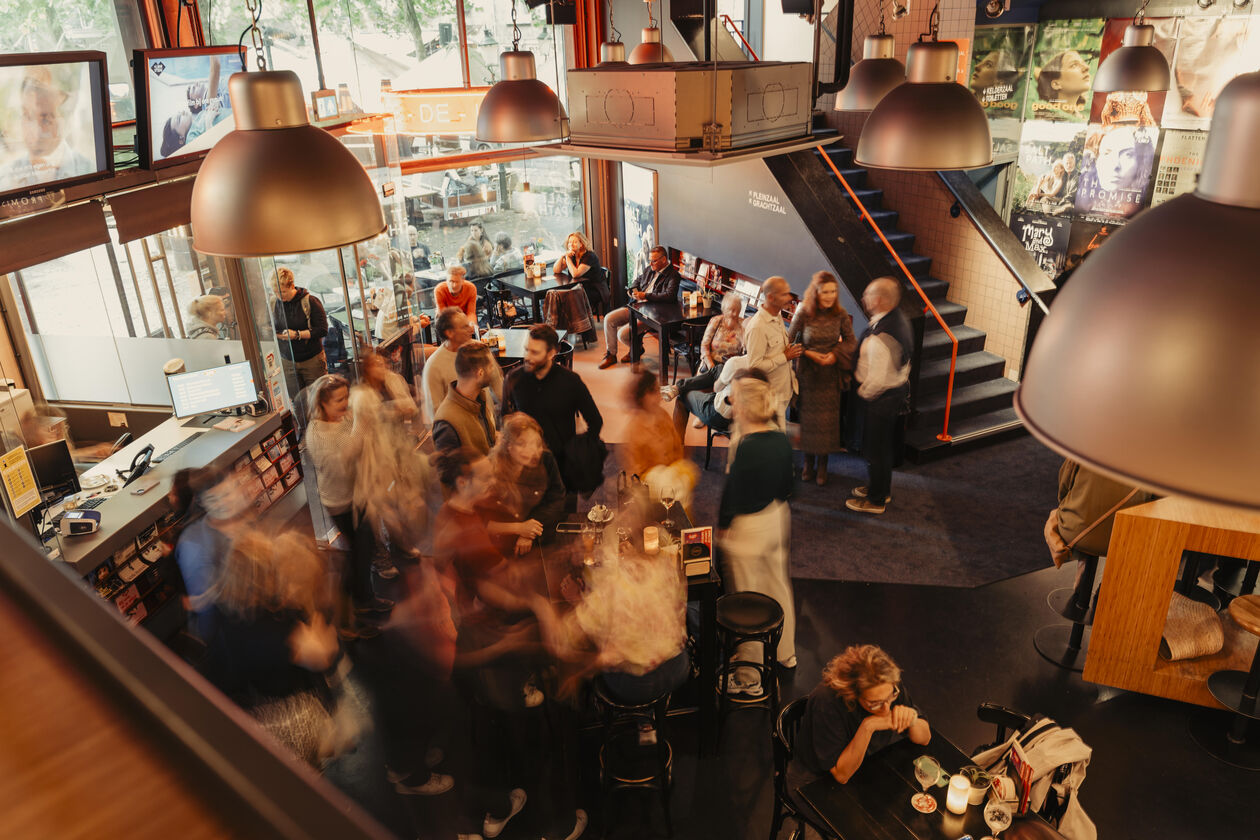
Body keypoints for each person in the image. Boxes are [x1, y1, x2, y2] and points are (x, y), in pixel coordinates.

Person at [200, 529, 356, 769]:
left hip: (239, 716)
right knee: (302, 774)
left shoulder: (223, 608)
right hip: (282, 723)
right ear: (262, 580)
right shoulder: (271, 626)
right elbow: (323, 655)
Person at [787, 644, 930, 834]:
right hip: (813, 781)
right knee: (868, 832)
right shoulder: (827, 702)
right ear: (852, 693)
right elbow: (841, 775)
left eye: (891, 696)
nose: (886, 709)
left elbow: (925, 738)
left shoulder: (888, 688)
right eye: (874, 703)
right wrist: (868, 726)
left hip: (864, 768)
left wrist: (912, 719)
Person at [718, 377, 796, 691]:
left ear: (744, 408)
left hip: (748, 529)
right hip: (777, 518)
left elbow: (732, 495)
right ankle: (785, 653)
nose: (732, 404)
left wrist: (723, 527)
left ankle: (749, 676)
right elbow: (790, 488)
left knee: (746, 598)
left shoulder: (746, 446)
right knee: (777, 585)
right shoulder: (781, 439)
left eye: (735, 399)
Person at [304, 374, 392, 639]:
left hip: (358, 496)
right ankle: (346, 619)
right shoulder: (318, 433)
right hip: (341, 503)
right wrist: (362, 426)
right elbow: (342, 462)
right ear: (322, 403)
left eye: (346, 397)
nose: (345, 403)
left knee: (363, 552)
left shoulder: (343, 418)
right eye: (339, 400)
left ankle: (366, 600)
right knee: (356, 558)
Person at [503, 324, 603, 484]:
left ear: (551, 353)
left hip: (562, 467)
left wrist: (579, 453)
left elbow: (595, 421)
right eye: (527, 350)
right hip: (527, 466)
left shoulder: (570, 382)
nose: (527, 357)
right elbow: (506, 418)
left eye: (535, 352)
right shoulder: (514, 379)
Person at [846, 278, 911, 515]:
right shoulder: (896, 320)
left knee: (875, 451)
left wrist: (862, 393)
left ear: (879, 300)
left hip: (880, 399)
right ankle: (881, 489)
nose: (863, 299)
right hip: (892, 396)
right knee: (882, 449)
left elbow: (879, 379)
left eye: (867, 295)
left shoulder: (882, 337)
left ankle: (876, 500)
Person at [789, 271, 857, 486]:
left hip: (830, 378)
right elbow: (789, 341)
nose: (829, 296)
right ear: (816, 292)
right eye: (825, 292)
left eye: (833, 291)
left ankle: (823, 465)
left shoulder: (840, 314)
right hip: (809, 376)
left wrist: (835, 355)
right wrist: (809, 353)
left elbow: (851, 342)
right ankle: (808, 462)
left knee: (827, 425)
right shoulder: (804, 312)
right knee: (809, 422)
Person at [481, 413, 565, 556]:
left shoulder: (546, 459)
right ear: (508, 446)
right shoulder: (491, 470)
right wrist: (519, 528)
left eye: (536, 444)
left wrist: (530, 532)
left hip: (540, 536)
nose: (533, 451)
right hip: (501, 546)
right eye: (521, 444)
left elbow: (557, 499)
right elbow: (481, 522)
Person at [1, 68, 93, 191]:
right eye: (28, 116)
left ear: (63, 121)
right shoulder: (4, 178)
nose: (35, 130)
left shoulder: (89, 170)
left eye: (45, 119)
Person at [598, 245, 681, 369]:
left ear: (664, 260)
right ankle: (611, 354)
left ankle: (636, 348)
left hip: (653, 314)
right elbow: (638, 280)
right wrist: (632, 290)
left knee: (622, 334)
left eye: (654, 260)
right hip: (637, 306)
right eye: (650, 260)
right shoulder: (649, 269)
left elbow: (669, 296)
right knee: (609, 319)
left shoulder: (673, 275)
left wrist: (645, 295)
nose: (650, 263)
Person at [421, 306, 503, 424]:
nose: (471, 330)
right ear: (449, 333)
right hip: (460, 430)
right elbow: (435, 412)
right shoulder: (433, 366)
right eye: (464, 327)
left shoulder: (480, 349)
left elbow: (497, 383)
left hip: (488, 424)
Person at [744, 275, 804, 425]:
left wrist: (788, 350)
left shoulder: (777, 315)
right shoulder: (758, 327)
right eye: (784, 294)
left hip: (782, 392)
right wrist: (785, 356)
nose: (789, 298)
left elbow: (774, 350)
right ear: (771, 297)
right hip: (768, 397)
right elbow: (754, 366)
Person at [433, 344, 499, 456]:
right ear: (480, 373)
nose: (494, 371)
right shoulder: (447, 424)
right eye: (491, 367)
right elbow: (448, 467)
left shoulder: (478, 400)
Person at [271, 267, 329, 392]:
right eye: (276, 292)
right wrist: (279, 335)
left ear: (292, 286)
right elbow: (267, 328)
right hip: (287, 360)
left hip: (311, 359)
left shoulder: (310, 301)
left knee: (318, 396)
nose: (279, 296)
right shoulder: (273, 303)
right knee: (296, 398)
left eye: (283, 292)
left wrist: (297, 335)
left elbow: (322, 330)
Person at [622, 369, 685, 480]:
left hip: (671, 477)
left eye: (658, 390)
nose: (659, 396)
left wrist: (675, 471)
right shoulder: (634, 430)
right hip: (648, 485)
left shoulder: (662, 414)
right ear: (642, 397)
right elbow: (635, 473)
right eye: (654, 391)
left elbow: (677, 447)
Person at [554, 231, 606, 315]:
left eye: (574, 242)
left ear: (581, 244)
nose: (571, 244)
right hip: (579, 287)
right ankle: (564, 320)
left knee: (568, 296)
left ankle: (576, 321)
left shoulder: (589, 256)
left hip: (594, 289)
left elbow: (576, 274)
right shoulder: (572, 255)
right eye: (569, 242)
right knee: (557, 294)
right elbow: (556, 270)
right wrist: (562, 256)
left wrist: (567, 258)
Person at [699, 291, 747, 372]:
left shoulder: (743, 325)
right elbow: (704, 346)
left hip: (731, 368)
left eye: (737, 310)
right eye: (731, 310)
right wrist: (711, 366)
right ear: (724, 310)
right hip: (711, 364)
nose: (734, 314)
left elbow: (745, 351)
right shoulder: (716, 321)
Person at [1035, 49, 1092, 115]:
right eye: (1074, 65)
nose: (1087, 67)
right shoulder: (1039, 117)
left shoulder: (1082, 119)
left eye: (1084, 62)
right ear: (1056, 84)